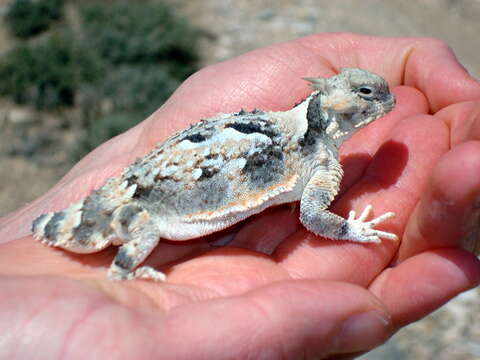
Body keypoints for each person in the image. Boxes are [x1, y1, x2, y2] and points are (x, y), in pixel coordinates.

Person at [0, 33, 479, 359]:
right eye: (366, 94)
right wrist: (353, 229)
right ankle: (122, 267)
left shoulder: (304, 141)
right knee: (134, 230)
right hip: (145, 207)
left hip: (141, 184)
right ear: (336, 105)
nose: (379, 100)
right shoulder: (314, 157)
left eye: (371, 92)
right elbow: (313, 215)